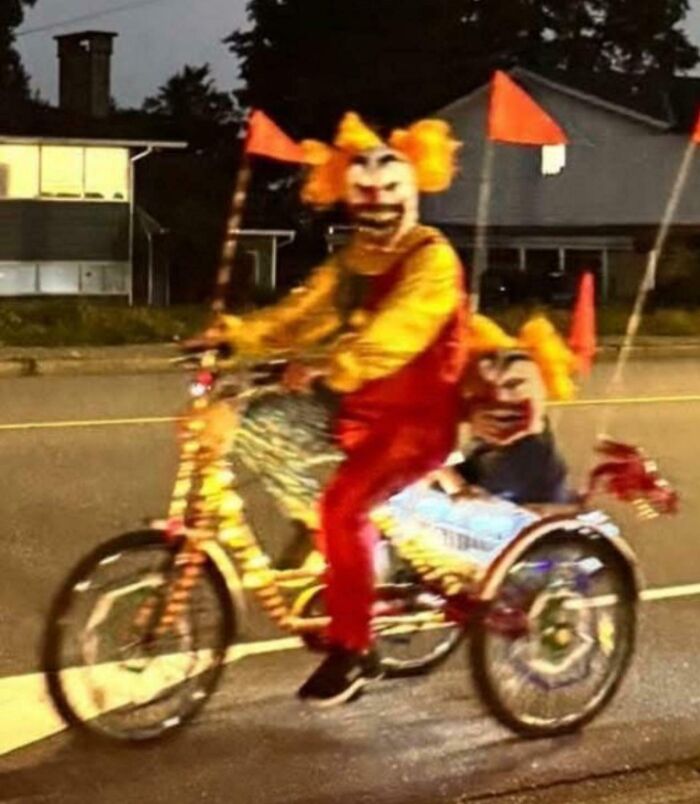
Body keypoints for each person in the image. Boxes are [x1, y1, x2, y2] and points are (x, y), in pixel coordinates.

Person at [195, 112, 468, 706]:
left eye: (388, 193)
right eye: (363, 195)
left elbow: (398, 333)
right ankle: (334, 552)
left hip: (414, 423)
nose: (375, 206)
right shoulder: (352, 262)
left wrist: (326, 365)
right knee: (255, 419)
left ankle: (355, 649)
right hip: (355, 411)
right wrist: (235, 336)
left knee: (344, 508)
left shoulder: (432, 260)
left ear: (413, 190)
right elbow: (302, 315)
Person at [435, 314, 578, 506]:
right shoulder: (483, 446)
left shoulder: (532, 454)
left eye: (514, 383)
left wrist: (452, 482)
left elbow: (478, 499)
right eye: (482, 391)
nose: (499, 397)